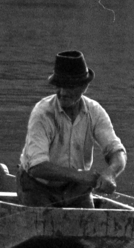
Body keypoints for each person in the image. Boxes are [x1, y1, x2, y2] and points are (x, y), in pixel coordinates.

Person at [18, 49, 126, 207]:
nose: (62, 93)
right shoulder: (42, 113)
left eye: (68, 87)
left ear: (84, 87)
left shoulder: (95, 112)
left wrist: (110, 173)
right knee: (45, 228)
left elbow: (117, 151)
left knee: (87, 228)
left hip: (76, 190)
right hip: (37, 187)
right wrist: (81, 176)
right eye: (59, 86)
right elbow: (37, 167)